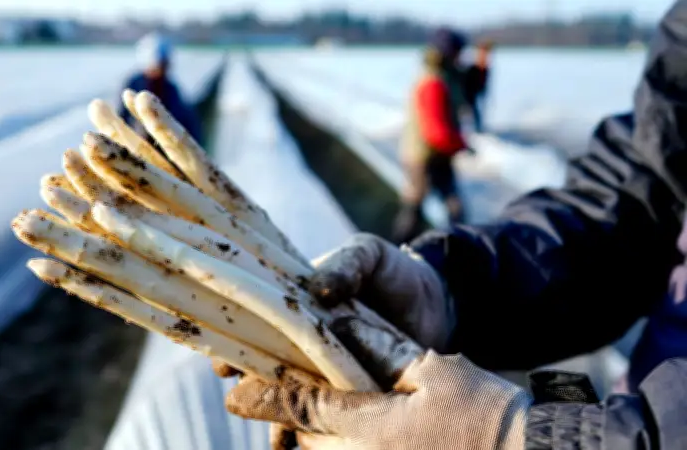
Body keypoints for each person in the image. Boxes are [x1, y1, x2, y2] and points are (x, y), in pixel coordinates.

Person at [219, 1, 687, 448]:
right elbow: (635, 197)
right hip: (639, 391)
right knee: (428, 204)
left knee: (435, 202)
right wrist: (453, 287)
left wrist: (539, 438)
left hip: (628, 422)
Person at [394, 27, 470, 245]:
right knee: (416, 210)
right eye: (458, 52)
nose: (461, 57)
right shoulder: (433, 83)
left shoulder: (442, 77)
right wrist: (460, 144)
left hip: (432, 154)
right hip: (424, 157)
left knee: (450, 207)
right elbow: (436, 132)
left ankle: (459, 249)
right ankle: (398, 254)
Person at [118, 33, 203, 146]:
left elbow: (185, 118)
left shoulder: (171, 89)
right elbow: (122, 116)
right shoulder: (134, 84)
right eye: (158, 67)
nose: (161, 71)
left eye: (164, 66)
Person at [463, 39, 494, 133]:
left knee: (478, 111)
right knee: (472, 112)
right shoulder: (472, 68)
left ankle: (478, 130)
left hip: (479, 92)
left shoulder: (485, 68)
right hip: (470, 94)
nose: (485, 56)